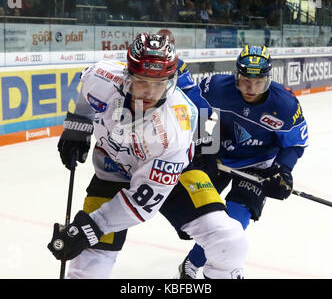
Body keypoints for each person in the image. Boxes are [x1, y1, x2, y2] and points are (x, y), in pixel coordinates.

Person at [47, 33, 248, 279]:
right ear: (127, 76)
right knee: (86, 270)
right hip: (111, 168)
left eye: (160, 83)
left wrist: (90, 227)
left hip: (175, 176)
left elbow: (141, 203)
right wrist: (77, 126)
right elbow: (87, 100)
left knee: (229, 239)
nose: (150, 92)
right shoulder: (100, 76)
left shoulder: (178, 123)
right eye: (142, 81)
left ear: (171, 81)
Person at [175, 45, 309, 278]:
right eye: (246, 81)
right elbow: (199, 114)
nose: (251, 89)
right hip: (217, 158)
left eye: (258, 82)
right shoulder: (215, 87)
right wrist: (206, 147)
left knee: (235, 221)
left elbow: (295, 144)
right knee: (203, 214)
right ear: (236, 75)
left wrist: (283, 171)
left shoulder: (285, 105)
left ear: (268, 78)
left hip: (258, 166)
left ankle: (194, 261)